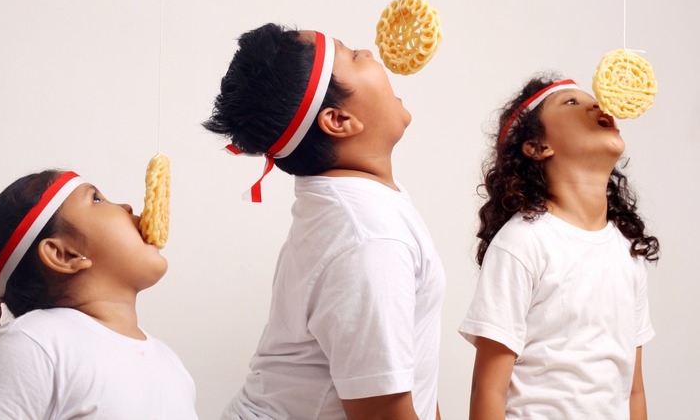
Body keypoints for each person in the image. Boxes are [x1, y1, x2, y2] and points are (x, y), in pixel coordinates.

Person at [204, 23, 446, 420]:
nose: (368, 53)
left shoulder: (359, 203)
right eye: (353, 57)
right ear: (338, 120)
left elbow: (412, 375)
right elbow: (383, 412)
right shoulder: (368, 237)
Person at [458, 73, 660, 419]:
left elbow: (633, 389)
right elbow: (489, 390)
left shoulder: (627, 252)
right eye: (571, 102)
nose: (597, 103)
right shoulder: (522, 243)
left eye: (589, 98)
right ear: (537, 147)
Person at [0, 170, 198, 419]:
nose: (127, 207)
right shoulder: (32, 345)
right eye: (97, 199)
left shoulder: (171, 364)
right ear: (64, 254)